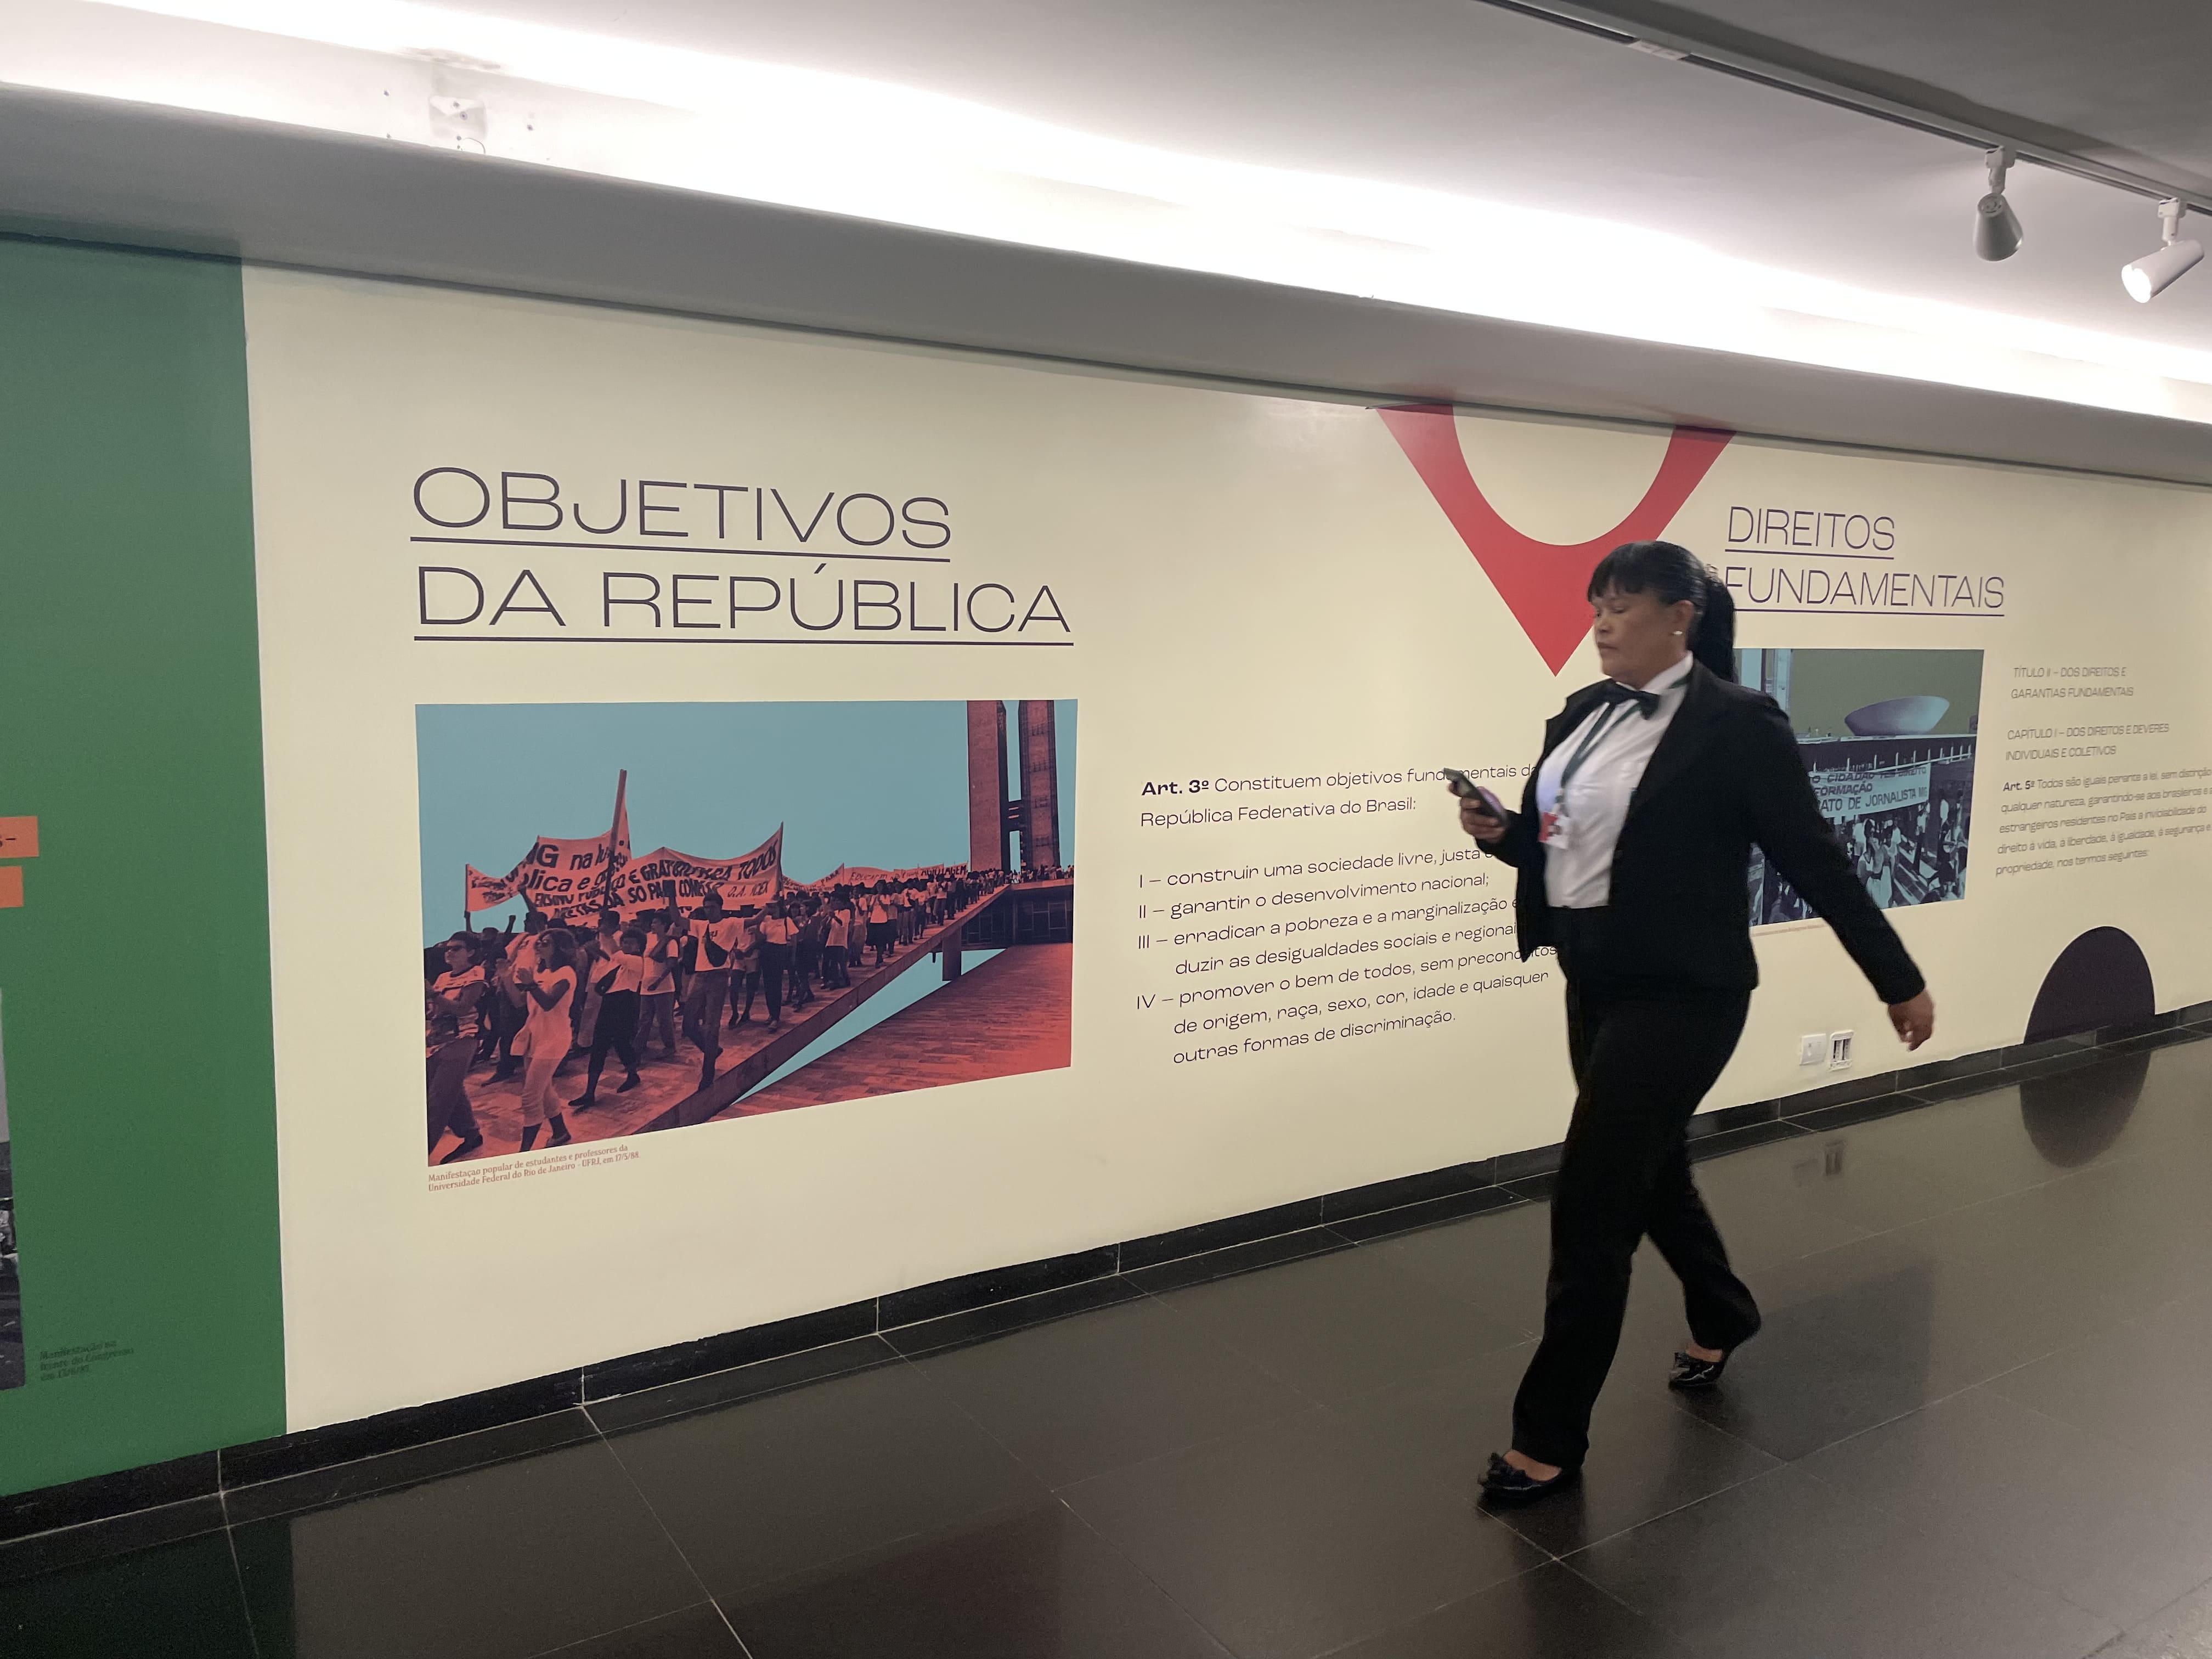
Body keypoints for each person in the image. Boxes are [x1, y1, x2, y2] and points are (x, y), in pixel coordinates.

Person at [1457, 540, 1935, 1505]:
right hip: (1594, 979)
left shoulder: (1738, 724)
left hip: (1686, 991)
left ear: (1680, 615)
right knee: (1652, 1166)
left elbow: (1814, 855)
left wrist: (1897, 978)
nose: (1601, 625)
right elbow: (1565, 847)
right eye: (1595, 606)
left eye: (1622, 606)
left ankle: (1547, 1435)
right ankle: (1723, 1309)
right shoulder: (1582, 714)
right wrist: (1505, 834)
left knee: (1593, 1198)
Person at [512, 928, 581, 1152]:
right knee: (545, 1091)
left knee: (530, 1098)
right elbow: (519, 1003)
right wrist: (505, 977)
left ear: (560, 948)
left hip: (554, 1040)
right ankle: (561, 1133)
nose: (539, 945)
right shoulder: (541, 972)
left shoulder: (566, 973)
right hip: (535, 1037)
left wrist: (531, 984)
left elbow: (549, 1003)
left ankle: (523, 1155)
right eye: (540, 942)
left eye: (546, 943)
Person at [425, 934, 487, 1163]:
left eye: (456, 948)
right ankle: (470, 1133)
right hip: (438, 1040)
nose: (449, 952)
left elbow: (462, 1008)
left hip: (463, 1039)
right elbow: (436, 1011)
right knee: (449, 1090)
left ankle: (419, 1153)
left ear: (470, 952)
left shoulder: (476, 974)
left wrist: (433, 994)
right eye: (447, 949)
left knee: (437, 1101)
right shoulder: (443, 977)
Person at [572, 927, 647, 1108]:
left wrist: (607, 935)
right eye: (624, 942)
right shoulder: (620, 962)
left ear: (639, 946)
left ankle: (632, 1074)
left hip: (625, 1003)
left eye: (630, 943)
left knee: (622, 1043)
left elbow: (615, 953)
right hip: (610, 1003)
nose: (625, 945)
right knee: (599, 1045)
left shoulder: (637, 961)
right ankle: (590, 1092)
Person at [682, 893, 743, 1088]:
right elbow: (677, 919)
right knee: (688, 1025)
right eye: (706, 907)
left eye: (712, 907)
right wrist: (671, 897)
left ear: (720, 907)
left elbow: (755, 920)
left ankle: (708, 1072)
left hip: (718, 977)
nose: (709, 911)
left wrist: (770, 903)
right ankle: (712, 1050)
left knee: (711, 1026)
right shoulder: (701, 925)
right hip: (700, 976)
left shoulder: (730, 923)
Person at [637, 907, 681, 1058]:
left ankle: (670, 1046)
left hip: (664, 988)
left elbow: (671, 964)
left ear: (664, 925)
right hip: (646, 985)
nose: (653, 925)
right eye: (653, 922)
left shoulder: (670, 942)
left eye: (656, 923)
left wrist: (659, 981)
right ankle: (639, 1047)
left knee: (664, 1020)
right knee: (644, 1019)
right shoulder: (647, 938)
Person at [754, 894, 798, 1034]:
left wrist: (793, 957)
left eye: (773, 907)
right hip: (767, 951)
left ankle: (776, 1016)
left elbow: (794, 941)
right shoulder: (766, 921)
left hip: (780, 952)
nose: (771, 909)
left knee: (776, 985)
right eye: (769, 907)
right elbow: (760, 938)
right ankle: (771, 1013)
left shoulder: (786, 921)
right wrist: (759, 923)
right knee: (768, 986)